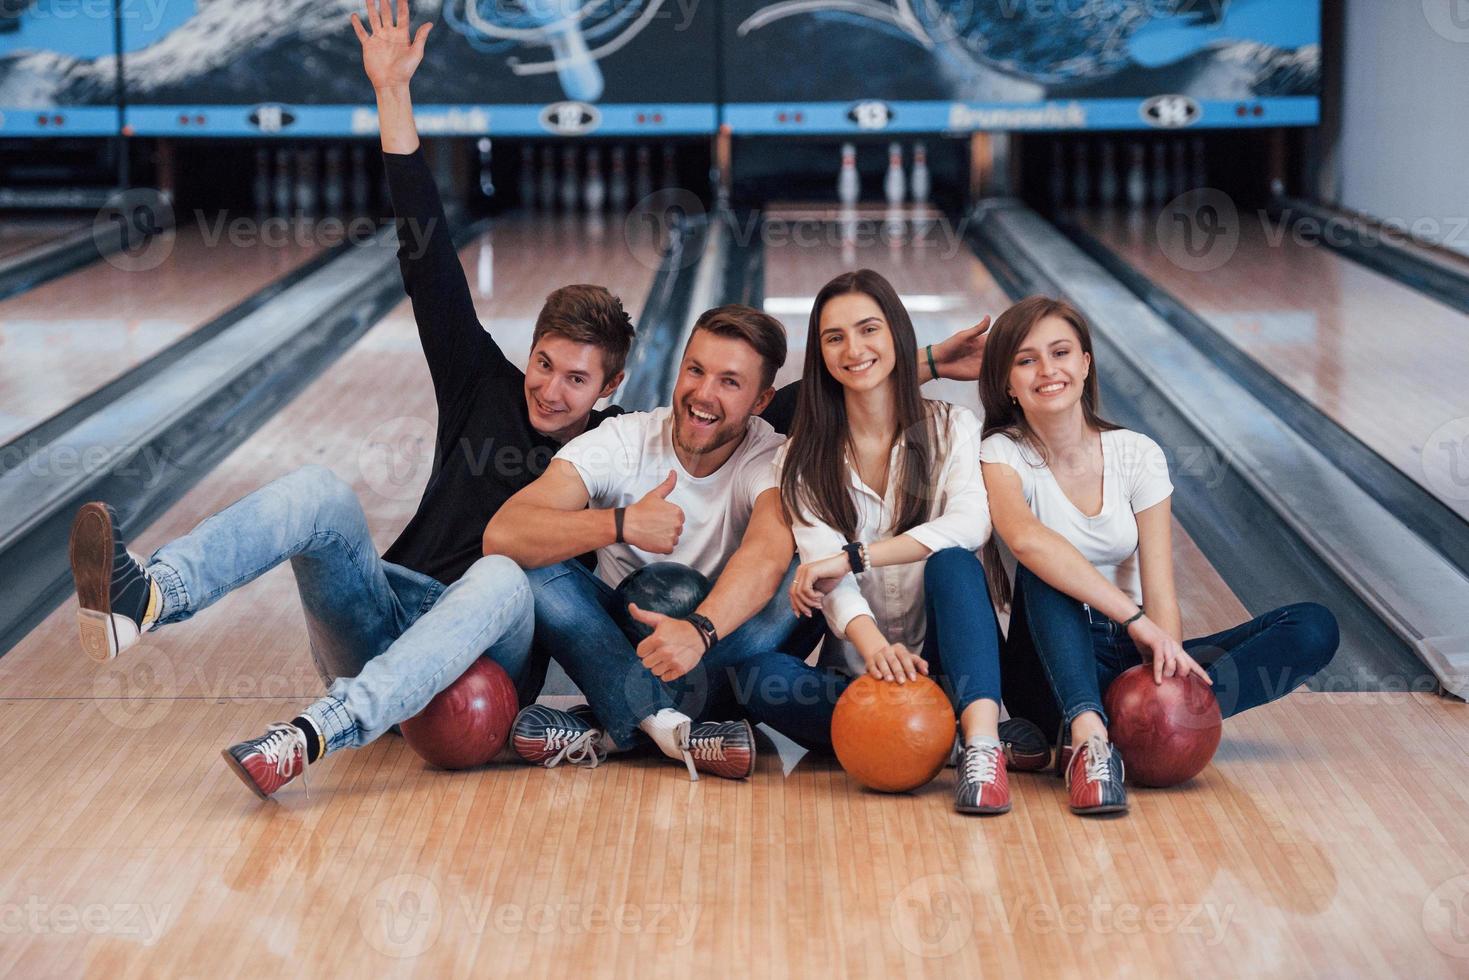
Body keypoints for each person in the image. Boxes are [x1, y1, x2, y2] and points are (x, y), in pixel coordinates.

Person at [66, 0, 636, 800]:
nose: (549, 387)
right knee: (319, 491)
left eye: (575, 379)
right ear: (530, 347)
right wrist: (391, 96)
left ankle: (315, 734)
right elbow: (426, 252)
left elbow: (731, 432)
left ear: (609, 388)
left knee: (505, 575)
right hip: (380, 619)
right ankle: (151, 596)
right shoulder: (482, 381)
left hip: (484, 653)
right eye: (543, 363)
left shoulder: (619, 448)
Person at [978, 296, 1339, 817]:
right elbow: (1028, 541)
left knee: (1312, 626)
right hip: (1049, 661)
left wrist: (1161, 673)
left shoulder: (1137, 453)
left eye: (1060, 352)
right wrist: (1137, 621)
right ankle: (1090, 738)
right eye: (1026, 359)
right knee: (1050, 567)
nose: (1047, 370)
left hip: (1133, 647)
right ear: (1008, 383)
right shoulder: (1002, 453)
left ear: (1085, 362)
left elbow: (1160, 587)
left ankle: (1151, 727)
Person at [725, 269, 1017, 814]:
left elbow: (971, 524)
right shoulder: (800, 459)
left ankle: (979, 743)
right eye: (834, 337)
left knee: (954, 564)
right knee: (757, 676)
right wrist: (878, 653)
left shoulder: (954, 426)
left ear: (898, 338)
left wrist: (857, 555)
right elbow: (827, 580)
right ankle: (909, 733)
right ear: (821, 355)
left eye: (868, 330)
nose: (853, 349)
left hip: (950, 668)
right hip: (859, 678)